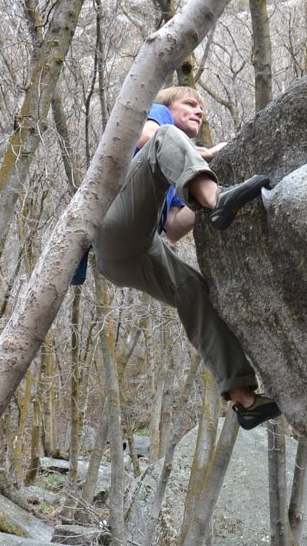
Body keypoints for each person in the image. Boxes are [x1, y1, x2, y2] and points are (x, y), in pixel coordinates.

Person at [92, 86, 280, 430]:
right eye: (190, 104)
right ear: (168, 106)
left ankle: (243, 397)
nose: (199, 111)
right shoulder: (158, 118)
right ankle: (215, 198)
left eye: (202, 107)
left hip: (134, 250)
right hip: (111, 229)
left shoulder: (174, 163)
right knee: (167, 136)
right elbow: (150, 136)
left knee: (193, 291)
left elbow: (176, 229)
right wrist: (207, 155)